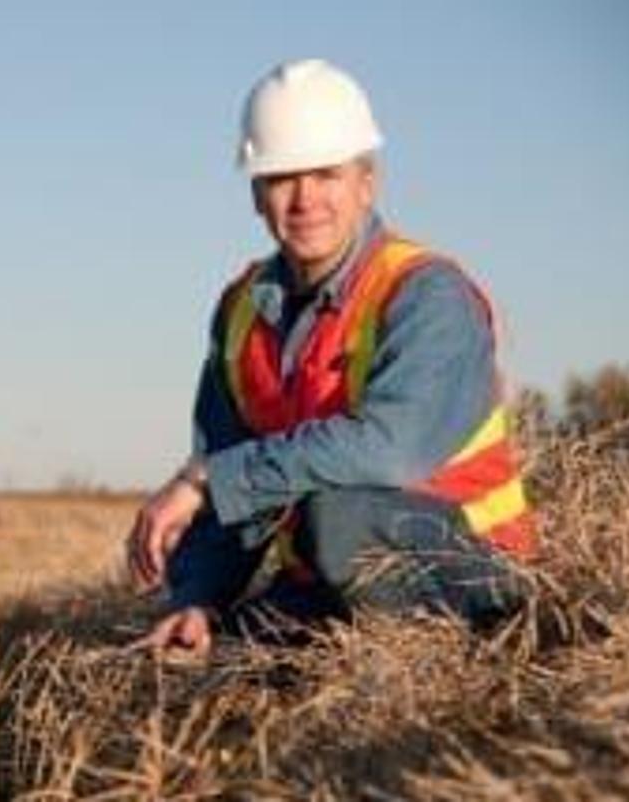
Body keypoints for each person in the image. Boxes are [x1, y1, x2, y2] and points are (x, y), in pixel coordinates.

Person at [126, 59, 534, 656]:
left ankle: (438, 661)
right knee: (220, 654)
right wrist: (199, 595)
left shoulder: (427, 294)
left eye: (326, 174)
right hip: (326, 576)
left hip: (472, 573)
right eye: (281, 178)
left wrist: (206, 480)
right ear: (255, 194)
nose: (305, 199)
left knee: (337, 516)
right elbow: (235, 469)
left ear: (367, 183)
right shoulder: (242, 312)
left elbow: (388, 451)